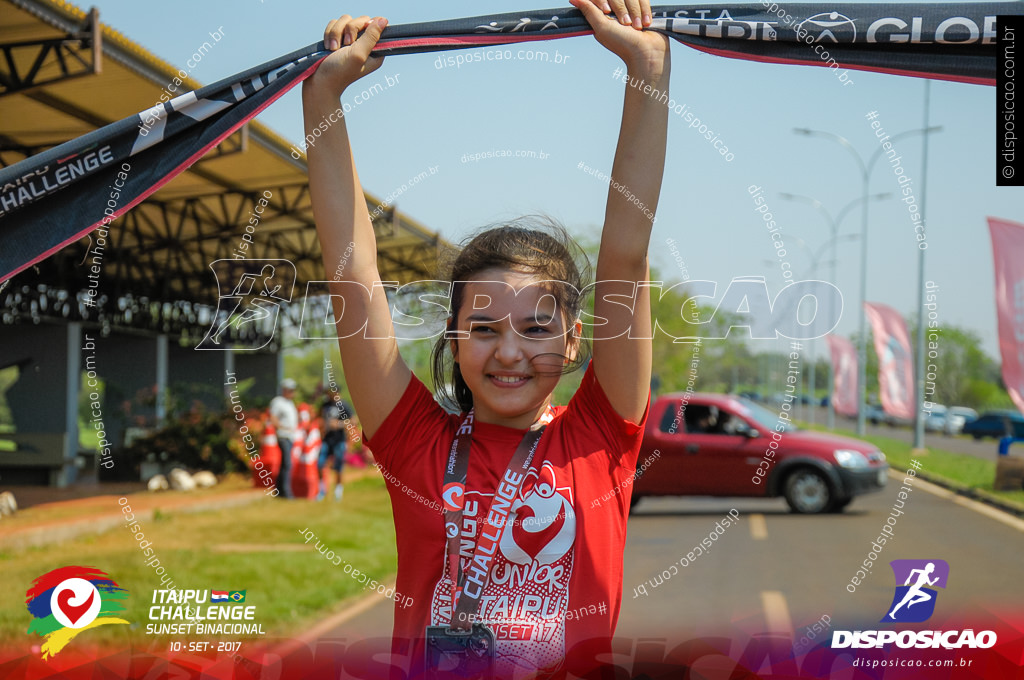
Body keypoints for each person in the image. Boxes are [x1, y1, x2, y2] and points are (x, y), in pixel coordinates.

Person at [305, 1, 668, 676]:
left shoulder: (600, 436)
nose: (509, 352)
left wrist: (647, 72)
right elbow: (352, 269)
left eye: (536, 328)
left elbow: (625, 256)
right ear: (454, 337)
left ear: (572, 339)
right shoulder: (415, 441)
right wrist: (323, 97)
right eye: (484, 328)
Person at [318, 393, 352, 501]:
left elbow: (353, 421)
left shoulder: (343, 405)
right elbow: (319, 418)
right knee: (320, 463)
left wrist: (339, 424)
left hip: (339, 440)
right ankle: (322, 489)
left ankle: (338, 491)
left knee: (338, 466)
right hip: (326, 440)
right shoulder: (325, 405)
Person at [269, 378, 299, 499]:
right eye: (290, 390)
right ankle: (286, 493)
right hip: (283, 436)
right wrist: (283, 427)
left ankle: (279, 491)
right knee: (287, 464)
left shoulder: (290, 403)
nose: (292, 392)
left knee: (284, 464)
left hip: (290, 436)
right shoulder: (278, 402)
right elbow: (273, 418)